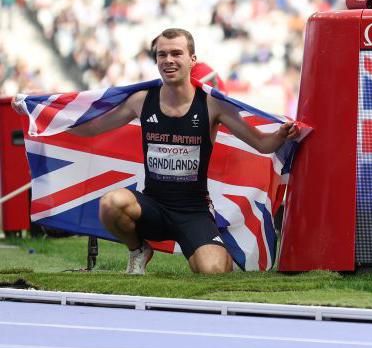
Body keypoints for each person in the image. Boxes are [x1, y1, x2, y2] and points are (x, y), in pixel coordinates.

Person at [51, 28, 298, 274]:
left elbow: (262, 144)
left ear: (192, 60)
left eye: (176, 53)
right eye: (162, 54)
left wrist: (282, 135)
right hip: (152, 208)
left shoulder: (213, 105)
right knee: (110, 204)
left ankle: (207, 246)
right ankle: (139, 250)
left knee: (213, 271)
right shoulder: (141, 100)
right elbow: (94, 127)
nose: (168, 60)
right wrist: (45, 118)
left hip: (193, 212)